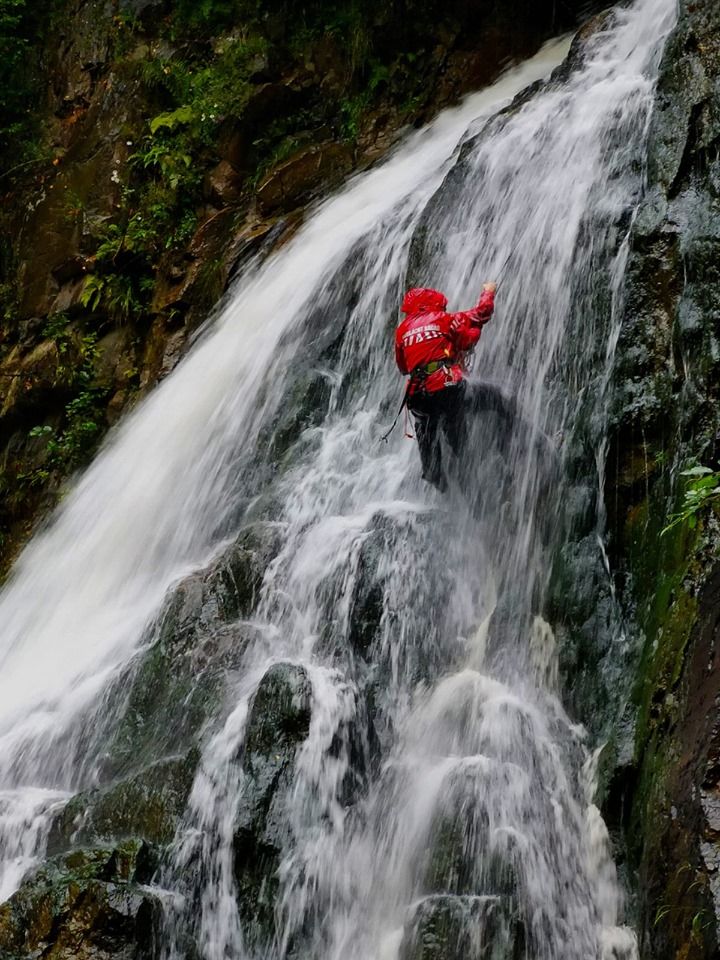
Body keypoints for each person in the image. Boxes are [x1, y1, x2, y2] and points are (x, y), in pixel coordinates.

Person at [394, 283, 496, 490]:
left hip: (417, 394)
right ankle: (469, 480)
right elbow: (480, 314)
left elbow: (403, 367)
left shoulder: (402, 330)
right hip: (446, 387)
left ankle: (435, 476)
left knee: (425, 425)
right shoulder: (444, 319)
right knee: (456, 431)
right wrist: (488, 291)